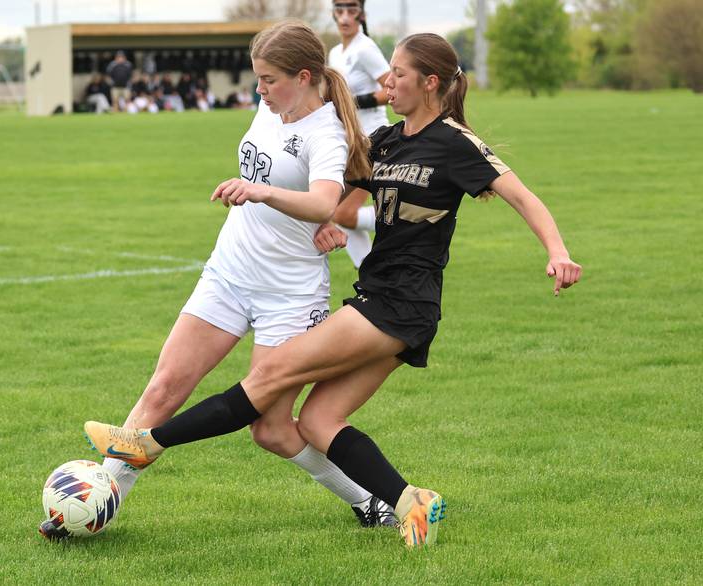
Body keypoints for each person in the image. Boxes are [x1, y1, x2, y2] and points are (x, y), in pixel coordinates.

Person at [85, 32, 583, 547]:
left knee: (271, 375)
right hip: (379, 298)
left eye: (399, 73)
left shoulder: (456, 143)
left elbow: (522, 197)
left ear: (430, 83)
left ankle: (148, 443)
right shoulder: (387, 141)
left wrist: (557, 251)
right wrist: (331, 226)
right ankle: (411, 503)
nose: (387, 80)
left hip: (399, 304)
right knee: (319, 420)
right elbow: (339, 202)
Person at [41, 21, 397, 540]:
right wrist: (309, 212)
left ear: (303, 76)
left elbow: (327, 194)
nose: (259, 90)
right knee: (163, 390)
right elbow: (312, 192)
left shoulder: (327, 132)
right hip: (229, 271)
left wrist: (292, 203)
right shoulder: (272, 104)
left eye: (269, 80)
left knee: (272, 429)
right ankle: (95, 503)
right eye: (257, 78)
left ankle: (370, 500)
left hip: (290, 294)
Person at [328, 0, 391, 268]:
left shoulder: (365, 48)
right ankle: (368, 272)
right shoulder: (334, 53)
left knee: (338, 211)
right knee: (335, 212)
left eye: (351, 10)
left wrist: (352, 102)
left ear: (361, 14)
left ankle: (402, 220)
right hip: (350, 142)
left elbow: (392, 89)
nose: (344, 17)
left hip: (372, 140)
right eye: (339, 10)